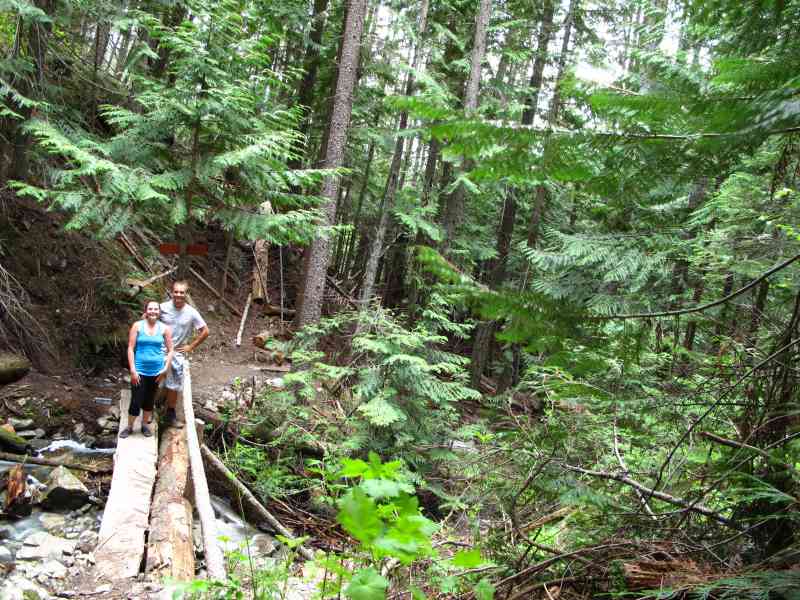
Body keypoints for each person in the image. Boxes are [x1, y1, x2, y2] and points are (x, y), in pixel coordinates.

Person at [159, 280, 210, 428]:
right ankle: (148, 411)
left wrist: (191, 346)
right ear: (172, 292)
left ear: (186, 294)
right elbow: (146, 319)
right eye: (176, 292)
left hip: (177, 352)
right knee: (153, 380)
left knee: (174, 385)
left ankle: (170, 415)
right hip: (160, 350)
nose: (179, 295)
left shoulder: (191, 312)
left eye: (182, 292)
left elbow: (206, 331)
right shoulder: (162, 308)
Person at [124, 301, 174, 438]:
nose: (153, 311)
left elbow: (170, 350)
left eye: (156, 309)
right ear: (146, 311)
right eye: (150, 309)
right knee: (136, 399)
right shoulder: (137, 326)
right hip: (139, 370)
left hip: (157, 371)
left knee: (149, 399)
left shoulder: (164, 328)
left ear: (159, 312)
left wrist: (165, 369)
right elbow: (130, 348)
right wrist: (133, 370)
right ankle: (129, 426)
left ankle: (145, 425)